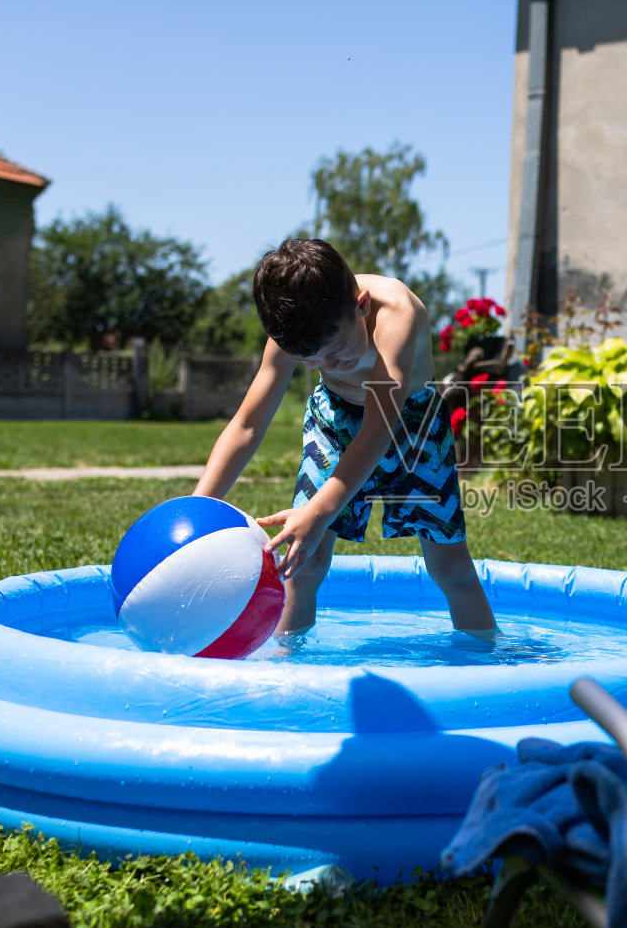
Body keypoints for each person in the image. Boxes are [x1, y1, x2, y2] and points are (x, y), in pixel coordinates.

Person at [193, 237, 498, 641]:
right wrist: (196, 509)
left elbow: (378, 429)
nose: (328, 366)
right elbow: (248, 425)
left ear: (362, 305)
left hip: (413, 424)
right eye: (312, 362)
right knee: (303, 566)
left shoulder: (396, 313)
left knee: (451, 569)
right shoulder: (296, 327)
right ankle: (289, 662)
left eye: (335, 353)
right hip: (335, 420)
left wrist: (318, 512)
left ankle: (485, 658)